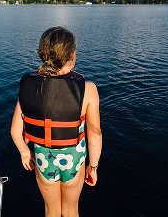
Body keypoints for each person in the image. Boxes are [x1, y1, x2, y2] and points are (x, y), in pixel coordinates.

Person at [10, 26, 103, 217]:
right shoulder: (88, 89)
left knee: (51, 210)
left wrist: (25, 153)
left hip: (44, 160)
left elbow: (15, 131)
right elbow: (95, 134)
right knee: (70, 210)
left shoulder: (27, 86)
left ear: (43, 54)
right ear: (73, 55)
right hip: (74, 160)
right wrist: (93, 167)